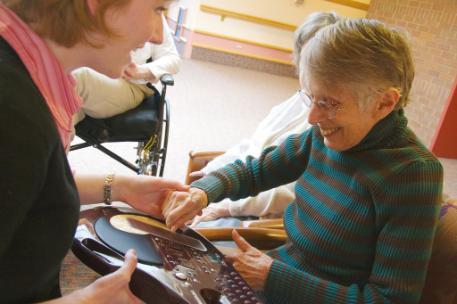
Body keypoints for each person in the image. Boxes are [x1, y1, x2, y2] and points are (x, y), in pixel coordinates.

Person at [163, 17, 444, 303]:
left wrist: (274, 278)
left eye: (329, 103)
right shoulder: (322, 136)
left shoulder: (413, 174)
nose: (312, 118)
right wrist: (203, 191)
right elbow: (256, 171)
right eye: (311, 98)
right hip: (274, 274)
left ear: (384, 103)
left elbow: (390, 300)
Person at [0, 1, 187, 303]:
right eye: (157, 9)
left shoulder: (25, 79)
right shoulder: (12, 113)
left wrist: (120, 187)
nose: (156, 34)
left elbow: (34, 186)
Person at [190, 12, 341, 224]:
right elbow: (252, 147)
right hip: (243, 192)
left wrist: (227, 206)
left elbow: (292, 195)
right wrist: (213, 171)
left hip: (258, 217)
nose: (309, 64)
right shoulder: (296, 100)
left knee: (189, 234)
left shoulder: (327, 123)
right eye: (306, 55)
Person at [72, 17, 181, 124]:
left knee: (78, 79)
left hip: (128, 84)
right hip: (89, 74)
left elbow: (173, 59)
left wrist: (141, 71)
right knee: (67, 106)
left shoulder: (152, 13)